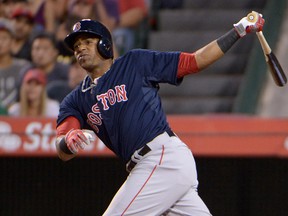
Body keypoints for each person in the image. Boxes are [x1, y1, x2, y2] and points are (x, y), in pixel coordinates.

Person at [55, 11, 265, 215]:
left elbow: (193, 62)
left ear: (104, 45)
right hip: (154, 169)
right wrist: (68, 141)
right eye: (76, 46)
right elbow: (62, 149)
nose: (80, 48)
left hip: (160, 157)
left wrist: (238, 31)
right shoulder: (76, 99)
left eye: (87, 42)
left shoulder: (134, 63)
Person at [0, 18, 31, 110]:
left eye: (4, 38)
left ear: (12, 42)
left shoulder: (24, 67)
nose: (0, 42)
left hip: (17, 118)